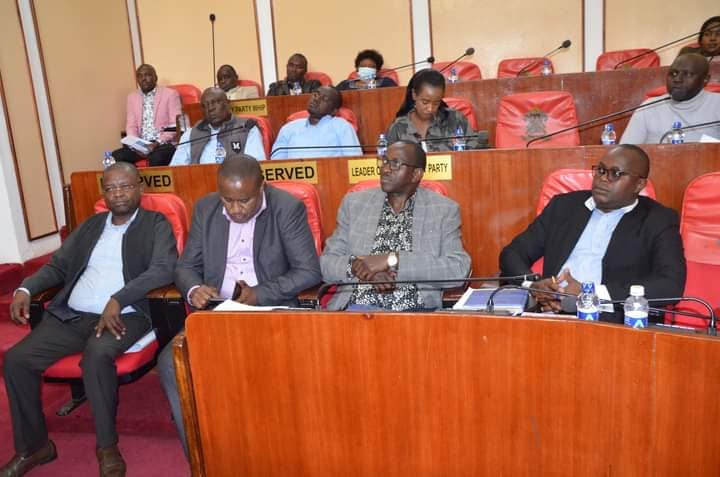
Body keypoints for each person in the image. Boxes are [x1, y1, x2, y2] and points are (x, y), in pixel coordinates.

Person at [1, 162, 177, 477]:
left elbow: (163, 268)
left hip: (126, 313)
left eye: (125, 186)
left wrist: (119, 298)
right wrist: (25, 288)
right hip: (73, 314)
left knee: (96, 356)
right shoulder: (91, 226)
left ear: (139, 187)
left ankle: (106, 446)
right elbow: (58, 266)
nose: (119, 193)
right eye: (111, 189)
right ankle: (34, 447)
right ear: (104, 194)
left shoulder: (155, 223)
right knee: (17, 359)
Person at [158, 155, 322, 456]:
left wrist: (260, 294)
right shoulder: (207, 208)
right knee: (171, 362)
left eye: (243, 201)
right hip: (217, 313)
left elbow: (309, 271)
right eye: (227, 200)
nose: (234, 210)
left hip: (271, 310)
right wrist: (195, 289)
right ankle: (202, 457)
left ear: (262, 186)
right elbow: (185, 267)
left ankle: (286, 451)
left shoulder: (286, 208)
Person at [499, 145, 686, 322]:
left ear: (639, 184)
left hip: (613, 321)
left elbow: (670, 285)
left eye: (616, 174)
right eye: (601, 170)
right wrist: (535, 286)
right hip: (552, 313)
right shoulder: (563, 206)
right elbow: (513, 253)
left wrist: (590, 294)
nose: (603, 178)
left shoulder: (658, 219)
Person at [320, 140, 471, 311]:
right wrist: (362, 269)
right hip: (357, 309)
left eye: (395, 164)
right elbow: (327, 263)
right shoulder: (355, 204)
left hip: (414, 313)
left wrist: (394, 260)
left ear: (416, 174)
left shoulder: (443, 210)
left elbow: (458, 268)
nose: (385, 169)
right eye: (384, 161)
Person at [620, 53, 720, 144]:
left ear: (705, 80)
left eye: (688, 74)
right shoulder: (648, 107)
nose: (677, 79)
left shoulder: (717, 104)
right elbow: (626, 150)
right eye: (674, 73)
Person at [386, 69, 488, 151]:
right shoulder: (398, 127)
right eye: (425, 102)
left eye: (436, 103)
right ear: (414, 95)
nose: (430, 108)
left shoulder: (455, 120)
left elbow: (476, 155)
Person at [169, 87, 266, 165]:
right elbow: (177, 169)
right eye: (205, 105)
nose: (210, 108)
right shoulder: (190, 134)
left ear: (228, 104)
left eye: (216, 102)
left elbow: (256, 166)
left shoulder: (246, 128)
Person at [112, 64, 182, 166]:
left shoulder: (170, 94)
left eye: (147, 75)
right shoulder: (132, 97)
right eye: (140, 76)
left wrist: (157, 143)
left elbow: (175, 124)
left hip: (163, 143)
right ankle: (133, 181)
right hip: (141, 144)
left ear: (155, 77)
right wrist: (135, 145)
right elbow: (131, 125)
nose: (143, 79)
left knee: (156, 158)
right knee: (116, 156)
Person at [270, 86, 362, 159]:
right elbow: (277, 163)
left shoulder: (342, 126)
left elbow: (354, 161)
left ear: (334, 111)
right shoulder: (289, 128)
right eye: (316, 95)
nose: (316, 99)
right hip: (294, 181)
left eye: (324, 99)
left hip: (331, 179)